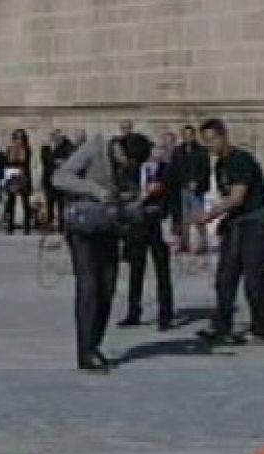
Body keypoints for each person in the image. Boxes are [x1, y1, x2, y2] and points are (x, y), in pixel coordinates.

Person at [195, 118, 264, 345]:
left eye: (212, 140)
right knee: (225, 278)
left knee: (253, 279)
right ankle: (222, 326)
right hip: (236, 223)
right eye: (205, 141)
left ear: (223, 136)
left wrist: (209, 216)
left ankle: (262, 328)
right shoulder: (220, 163)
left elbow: (237, 196)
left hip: (255, 224)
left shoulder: (240, 160)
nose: (209, 145)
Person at [52, 131, 122, 372]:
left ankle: (94, 344)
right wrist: (95, 190)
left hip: (109, 227)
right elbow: (59, 177)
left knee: (108, 287)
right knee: (89, 286)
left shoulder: (129, 165)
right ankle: (84, 353)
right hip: (83, 227)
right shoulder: (94, 149)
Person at [117, 140, 176, 331]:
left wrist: (175, 222)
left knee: (162, 269)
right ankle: (134, 311)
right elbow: (124, 192)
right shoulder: (132, 170)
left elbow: (173, 196)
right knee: (136, 269)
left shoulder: (167, 170)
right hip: (137, 223)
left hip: (158, 221)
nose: (158, 152)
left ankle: (165, 314)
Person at [171, 125, 211, 254]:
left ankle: (203, 243)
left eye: (190, 135)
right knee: (184, 218)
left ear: (194, 135)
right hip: (182, 187)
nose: (187, 137)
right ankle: (184, 243)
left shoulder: (202, 151)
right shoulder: (178, 151)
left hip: (196, 189)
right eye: (185, 135)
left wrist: (197, 182)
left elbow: (205, 170)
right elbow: (175, 168)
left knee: (198, 216)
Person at [2, 129, 35, 235]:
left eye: (20, 138)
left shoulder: (26, 149)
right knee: (11, 202)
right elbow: (7, 162)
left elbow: (24, 162)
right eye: (16, 138)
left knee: (25, 203)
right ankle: (10, 226)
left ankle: (27, 226)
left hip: (23, 176)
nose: (18, 140)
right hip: (12, 176)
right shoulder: (9, 149)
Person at [41, 129, 73, 231]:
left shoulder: (67, 147)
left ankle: (62, 227)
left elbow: (66, 161)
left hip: (60, 181)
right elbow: (46, 162)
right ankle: (50, 226)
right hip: (48, 180)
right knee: (49, 205)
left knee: (61, 205)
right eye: (52, 136)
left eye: (56, 136)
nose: (54, 138)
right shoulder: (46, 148)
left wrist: (57, 161)